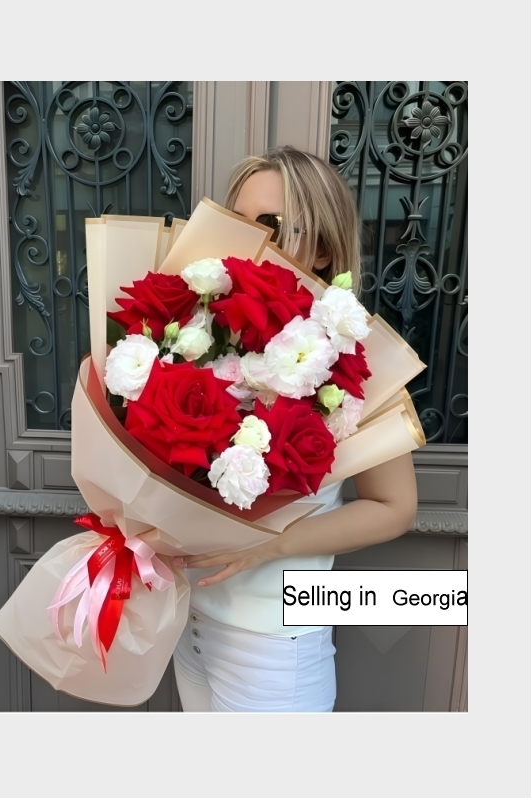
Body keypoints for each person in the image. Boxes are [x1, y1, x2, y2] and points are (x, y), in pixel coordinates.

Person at [172, 146, 418, 713]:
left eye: (277, 224)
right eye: (240, 220)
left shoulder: (355, 358)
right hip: (192, 624)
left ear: (324, 247)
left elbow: (394, 507)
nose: (253, 239)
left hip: (273, 647)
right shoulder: (201, 335)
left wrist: (272, 545)